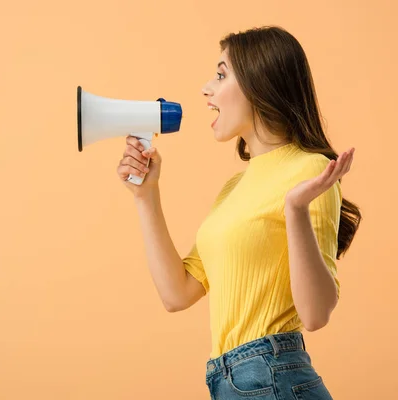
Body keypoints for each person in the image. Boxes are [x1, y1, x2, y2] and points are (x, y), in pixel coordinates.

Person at [116, 26, 362, 399]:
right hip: (231, 379)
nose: (206, 88)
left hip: (271, 376)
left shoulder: (310, 169)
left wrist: (295, 210)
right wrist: (145, 195)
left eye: (220, 74)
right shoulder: (234, 188)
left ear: (259, 82)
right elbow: (176, 294)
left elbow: (315, 314)